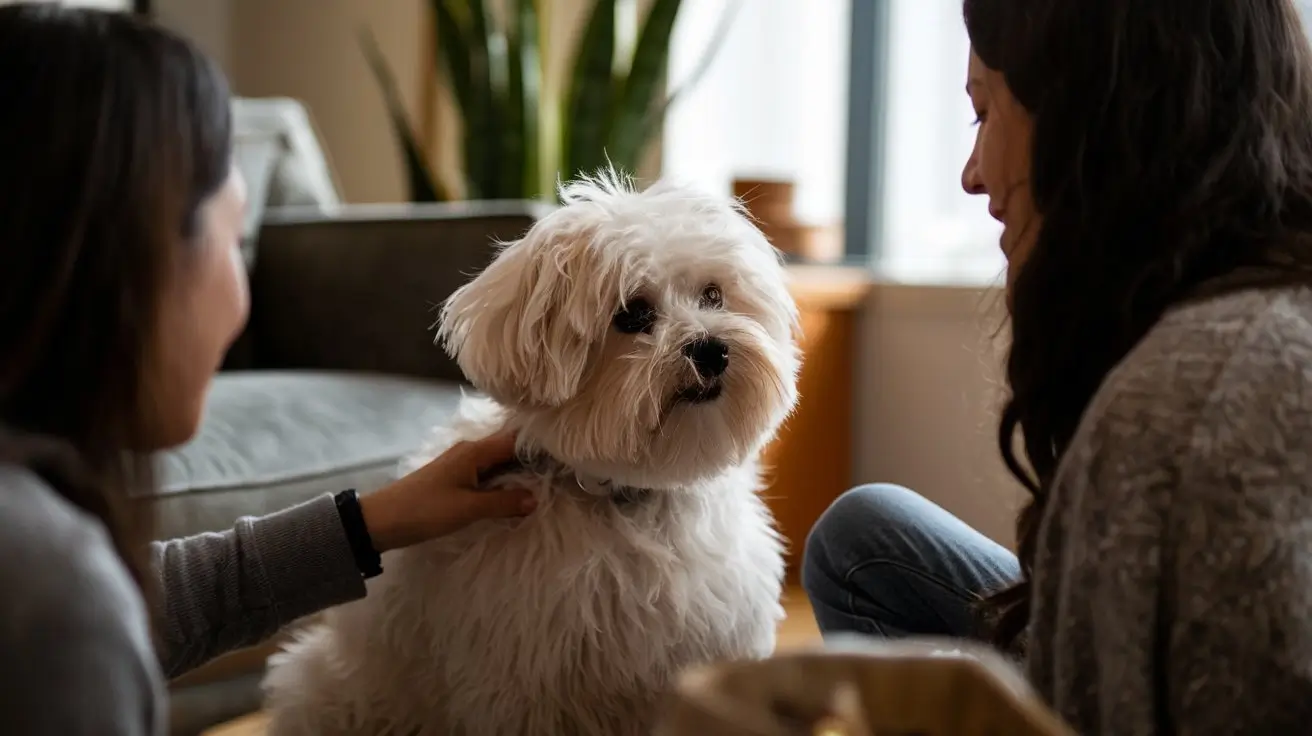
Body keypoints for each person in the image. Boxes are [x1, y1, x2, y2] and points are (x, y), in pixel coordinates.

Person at [0, 6, 537, 734]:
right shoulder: (54, 603)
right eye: (229, 232)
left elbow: (158, 598)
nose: (242, 298)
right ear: (130, 260)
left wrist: (374, 520)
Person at [805, 0, 1312, 732]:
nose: (971, 176)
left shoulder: (1180, 410)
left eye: (985, 113)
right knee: (863, 538)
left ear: (1088, 121)